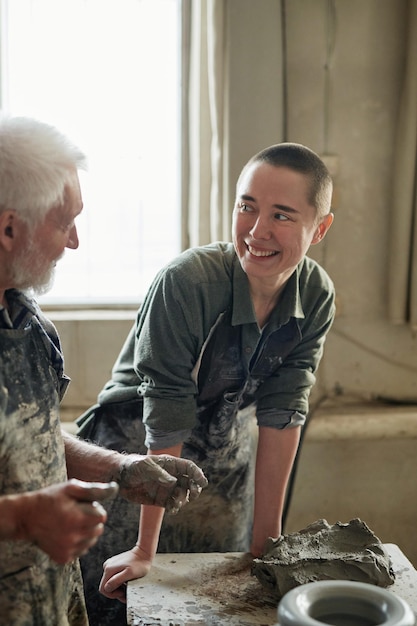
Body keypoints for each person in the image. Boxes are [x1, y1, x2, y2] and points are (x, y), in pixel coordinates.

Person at [77, 142, 335, 625]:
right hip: (139, 445)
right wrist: (143, 549)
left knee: (220, 598)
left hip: (223, 447)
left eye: (282, 215)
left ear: (319, 227)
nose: (257, 231)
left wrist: (266, 548)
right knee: (122, 603)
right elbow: (167, 411)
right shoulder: (187, 283)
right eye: (246, 207)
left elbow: (283, 413)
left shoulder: (316, 295)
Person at [0, 115, 208, 626]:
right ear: (8, 228)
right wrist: (24, 517)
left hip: (49, 596)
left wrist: (121, 468)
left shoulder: (26, 324)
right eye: (64, 221)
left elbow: (38, 439)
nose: (73, 242)